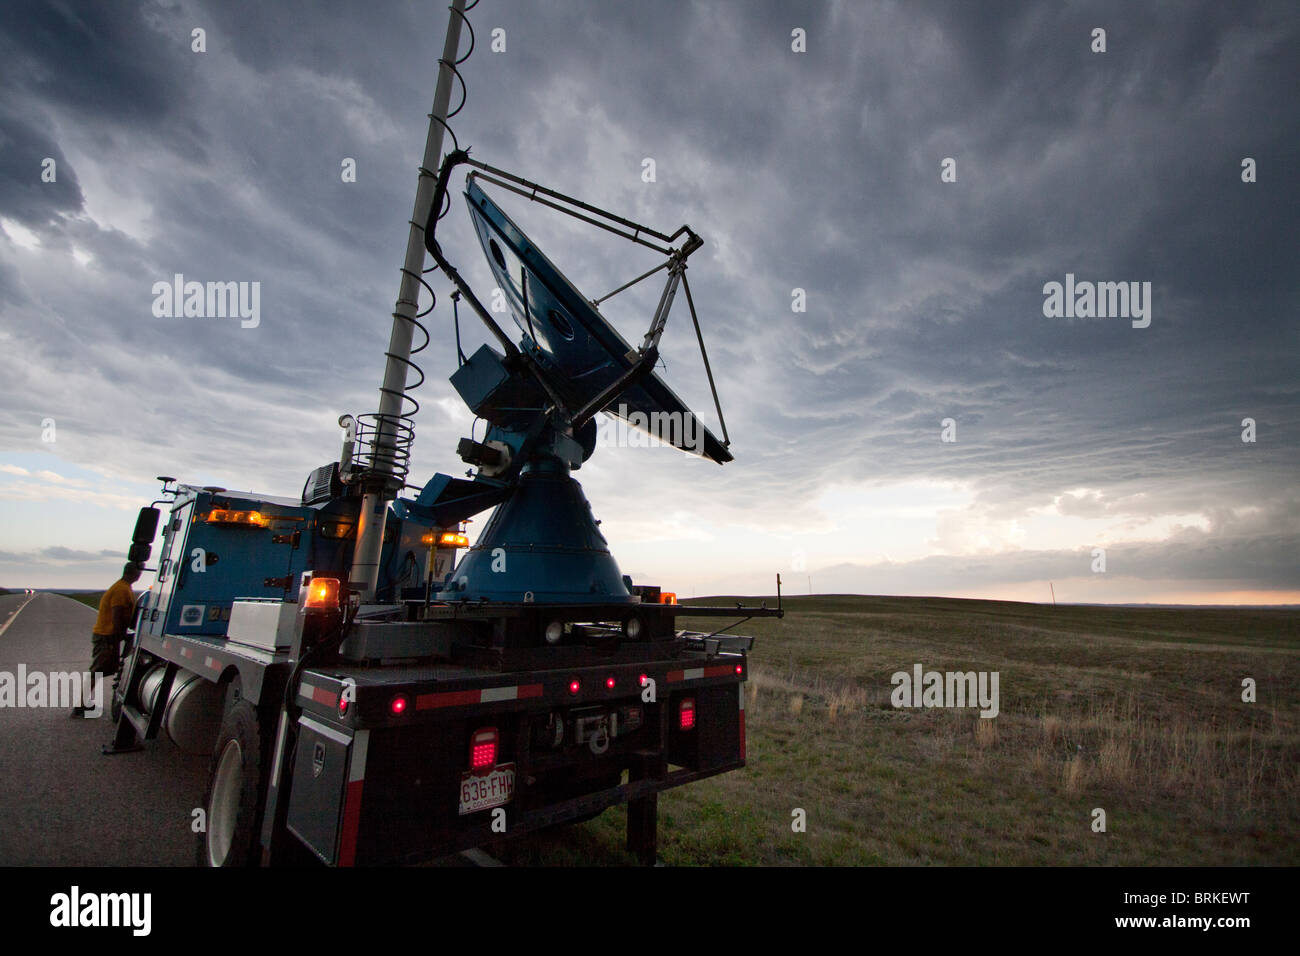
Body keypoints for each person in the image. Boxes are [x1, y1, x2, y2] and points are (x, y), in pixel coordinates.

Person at [71, 562, 141, 717]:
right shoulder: (121, 589)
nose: (141, 573)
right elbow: (117, 613)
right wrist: (120, 634)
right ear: (135, 572)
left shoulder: (124, 587)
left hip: (108, 635)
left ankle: (83, 703)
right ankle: (80, 706)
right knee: (98, 669)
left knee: (106, 668)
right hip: (106, 635)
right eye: (140, 569)